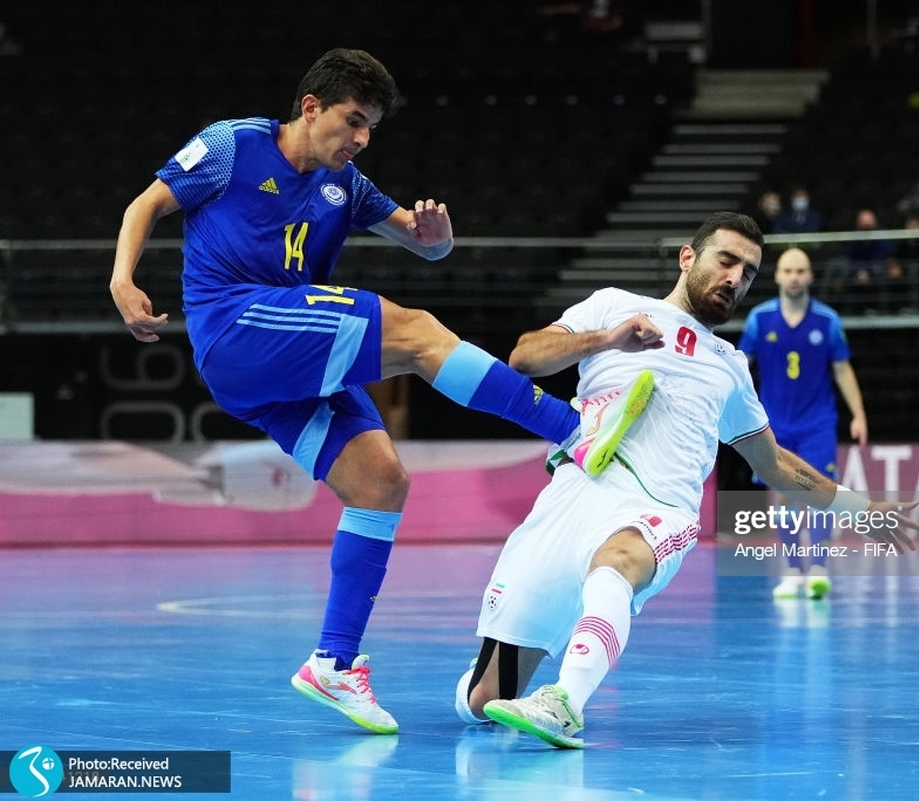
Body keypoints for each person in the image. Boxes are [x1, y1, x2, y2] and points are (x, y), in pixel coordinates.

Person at [108, 48, 652, 736]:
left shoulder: (346, 183)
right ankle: (572, 427)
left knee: (381, 482)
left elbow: (422, 243)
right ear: (312, 107)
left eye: (371, 127)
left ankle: (333, 663)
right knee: (415, 330)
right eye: (354, 120)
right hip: (235, 325)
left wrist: (437, 241)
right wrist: (122, 279)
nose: (362, 138)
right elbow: (147, 203)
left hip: (284, 365)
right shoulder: (232, 145)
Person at [454, 213, 919, 748]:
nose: (735, 278)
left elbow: (774, 463)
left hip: (659, 510)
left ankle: (566, 701)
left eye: (748, 273)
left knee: (618, 561)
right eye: (726, 261)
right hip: (571, 496)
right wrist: (609, 340)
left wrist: (861, 511)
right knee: (482, 702)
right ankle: (518, 666)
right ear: (687, 257)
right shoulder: (612, 305)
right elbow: (524, 357)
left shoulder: (729, 365)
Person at [738, 247, 869, 599]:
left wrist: (858, 414)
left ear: (809, 276)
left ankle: (819, 568)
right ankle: (794, 569)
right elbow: (740, 366)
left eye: (800, 271)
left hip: (817, 423)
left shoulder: (827, 320)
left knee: (820, 492)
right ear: (777, 276)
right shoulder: (760, 319)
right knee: (782, 496)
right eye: (788, 270)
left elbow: (842, 369)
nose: (794, 277)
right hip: (774, 425)